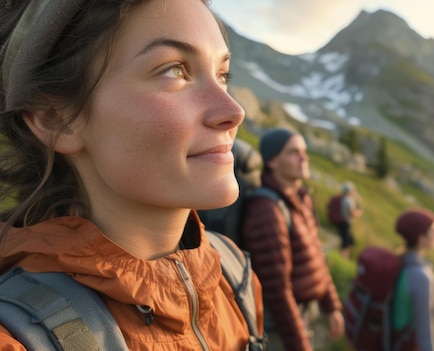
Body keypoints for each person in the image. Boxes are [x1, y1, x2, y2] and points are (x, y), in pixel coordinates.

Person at [0, 1, 264, 350]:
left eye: (222, 75)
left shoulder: (233, 277)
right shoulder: (18, 338)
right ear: (55, 119)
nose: (234, 111)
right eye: (175, 71)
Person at [241, 127, 344, 351]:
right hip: (280, 327)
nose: (303, 157)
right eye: (293, 152)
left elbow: (316, 255)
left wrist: (332, 306)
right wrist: (300, 345)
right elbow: (277, 289)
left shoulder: (299, 198)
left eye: (304, 151)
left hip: (306, 313)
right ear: (273, 161)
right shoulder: (266, 210)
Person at [391, 208, 434, 351]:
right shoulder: (422, 277)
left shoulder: (400, 261)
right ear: (421, 238)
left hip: (389, 339)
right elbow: (426, 337)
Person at [336, 181, 363, 258]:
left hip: (343, 222)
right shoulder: (348, 200)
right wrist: (359, 212)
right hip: (346, 223)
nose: (354, 191)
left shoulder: (344, 199)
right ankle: (343, 257)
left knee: (348, 241)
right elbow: (352, 213)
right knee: (346, 242)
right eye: (353, 189)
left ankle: (343, 256)